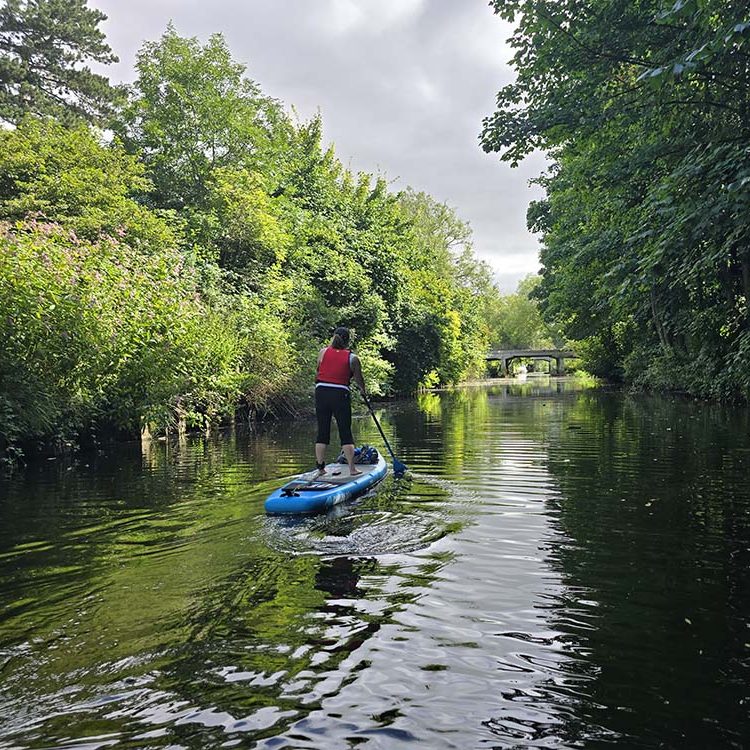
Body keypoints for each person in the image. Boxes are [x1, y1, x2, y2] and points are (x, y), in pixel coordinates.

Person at [314, 326, 367, 477]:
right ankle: (352, 469)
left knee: (322, 431)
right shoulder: (353, 358)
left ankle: (320, 468)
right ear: (348, 341)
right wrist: (363, 392)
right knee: (345, 431)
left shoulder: (322, 352)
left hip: (321, 391)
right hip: (340, 394)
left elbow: (318, 371)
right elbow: (359, 380)